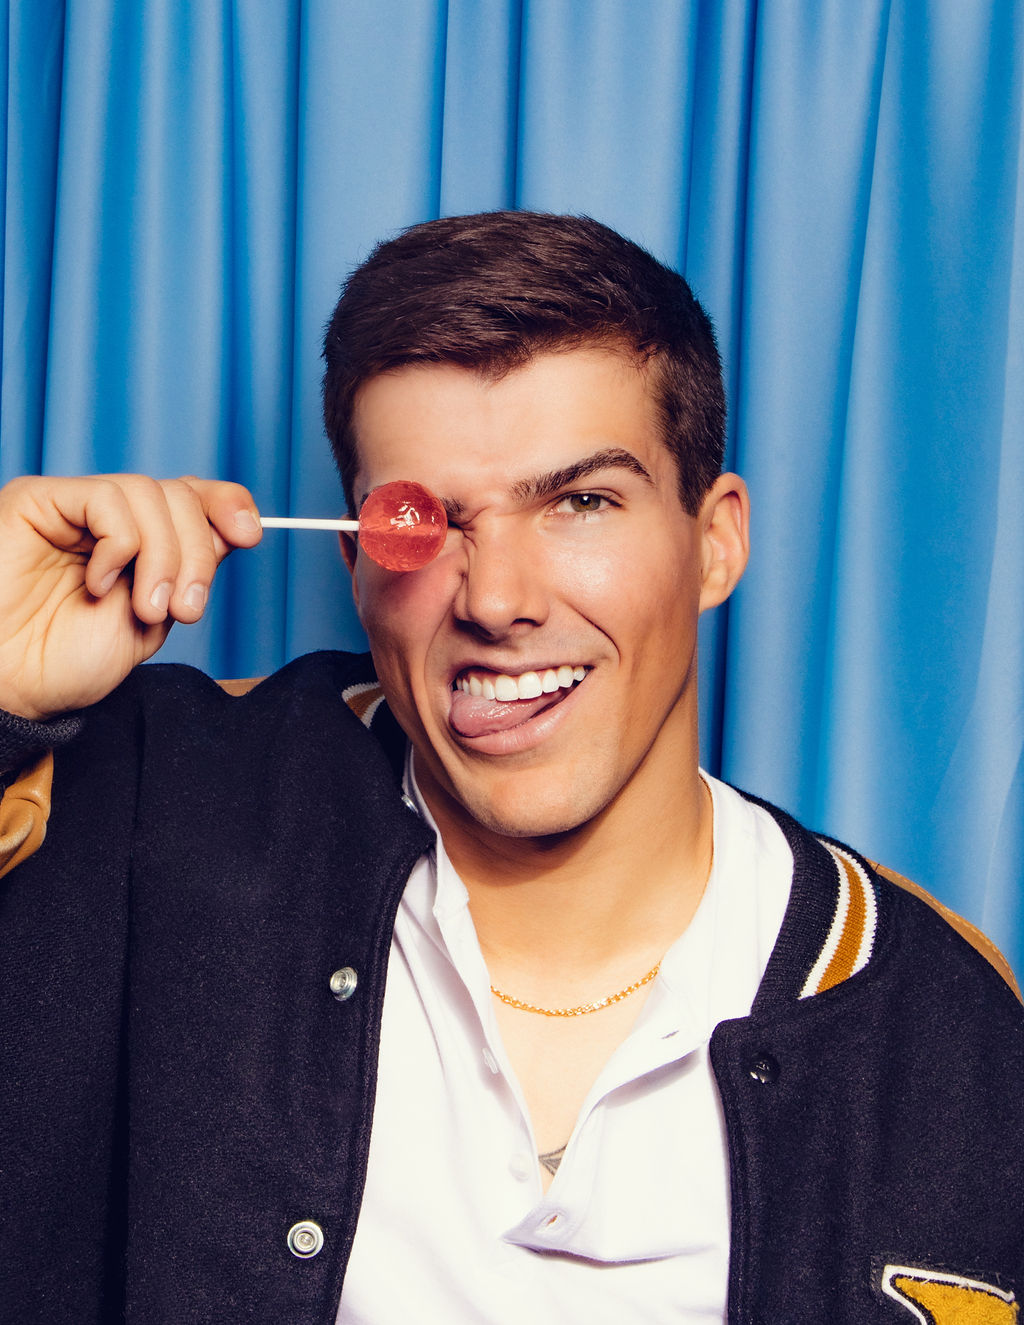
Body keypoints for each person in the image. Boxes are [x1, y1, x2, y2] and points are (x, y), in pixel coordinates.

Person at [0, 212, 1020, 1325]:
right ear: (354, 558)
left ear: (715, 540)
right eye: (422, 522)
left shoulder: (940, 1025)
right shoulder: (144, 807)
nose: (495, 599)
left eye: (581, 501)